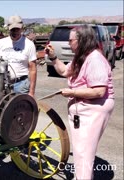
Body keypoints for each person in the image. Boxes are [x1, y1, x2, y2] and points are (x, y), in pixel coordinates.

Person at [44, 25, 115, 179]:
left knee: (83, 152)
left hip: (93, 109)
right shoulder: (81, 57)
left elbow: (99, 91)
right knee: (82, 150)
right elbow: (64, 71)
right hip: (84, 108)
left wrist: (72, 92)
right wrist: (54, 57)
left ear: (82, 40)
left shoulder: (95, 59)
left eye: (71, 40)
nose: (68, 43)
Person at [0, 15, 37, 97]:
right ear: (8, 28)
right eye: (12, 29)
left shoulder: (29, 44)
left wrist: (31, 92)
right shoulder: (0, 43)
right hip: (3, 85)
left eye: (17, 29)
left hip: (21, 85)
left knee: (21, 109)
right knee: (2, 109)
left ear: (22, 28)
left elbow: (33, 69)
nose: (15, 32)